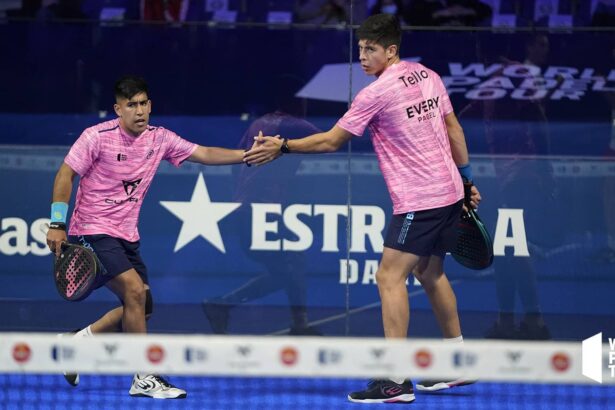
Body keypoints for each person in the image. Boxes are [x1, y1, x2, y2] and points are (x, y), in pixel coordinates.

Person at [244, 13, 481, 404]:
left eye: (371, 50)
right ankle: (458, 360)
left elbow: (330, 141)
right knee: (430, 272)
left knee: (389, 277)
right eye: (360, 49)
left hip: (420, 199)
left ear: (392, 50)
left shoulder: (376, 93)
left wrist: (283, 146)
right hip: (450, 192)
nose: (363, 58)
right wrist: (467, 180)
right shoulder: (428, 76)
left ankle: (395, 379)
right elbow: (453, 127)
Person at [46, 75, 266, 399]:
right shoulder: (96, 137)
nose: (139, 111)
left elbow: (204, 153)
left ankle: (77, 343)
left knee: (141, 305)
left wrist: (247, 155)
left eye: (143, 103)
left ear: (150, 105)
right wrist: (57, 221)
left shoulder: (160, 138)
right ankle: (143, 376)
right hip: (90, 230)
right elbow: (66, 173)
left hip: (126, 235)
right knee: (135, 291)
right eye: (131, 105)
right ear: (118, 109)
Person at [203, 75, 322, 336]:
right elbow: (334, 140)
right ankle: (224, 305)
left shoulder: (260, 122)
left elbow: (238, 160)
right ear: (297, 101)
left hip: (250, 209)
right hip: (260, 211)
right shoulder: (293, 125)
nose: (307, 104)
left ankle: (226, 306)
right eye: (304, 99)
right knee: (291, 265)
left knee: (291, 264)